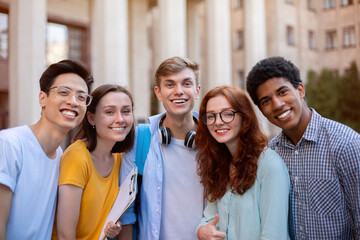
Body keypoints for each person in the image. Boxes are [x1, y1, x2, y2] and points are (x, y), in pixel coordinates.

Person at [246, 56, 360, 239]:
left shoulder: (346, 144)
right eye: (266, 101)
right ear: (261, 110)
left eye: (282, 92)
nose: (277, 104)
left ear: (300, 90)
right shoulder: (271, 154)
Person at [0, 60, 93, 239]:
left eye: (81, 97)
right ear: (43, 98)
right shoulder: (10, 144)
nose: (73, 101)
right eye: (64, 92)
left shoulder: (61, 156)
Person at [121, 56, 204, 239]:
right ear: (158, 93)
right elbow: (126, 212)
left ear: (197, 91)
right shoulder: (139, 139)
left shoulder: (214, 141)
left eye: (186, 83)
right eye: (170, 84)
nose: (179, 91)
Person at [195, 86, 290, 240]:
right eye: (211, 116)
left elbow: (274, 235)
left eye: (228, 114)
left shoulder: (269, 165)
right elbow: (209, 219)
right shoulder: (219, 164)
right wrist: (201, 231)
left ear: (245, 118)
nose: (218, 122)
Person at [52, 84, 135, 240]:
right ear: (91, 118)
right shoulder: (77, 157)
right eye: (109, 112)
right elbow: (65, 234)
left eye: (126, 111)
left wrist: (111, 230)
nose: (120, 119)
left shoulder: (120, 158)